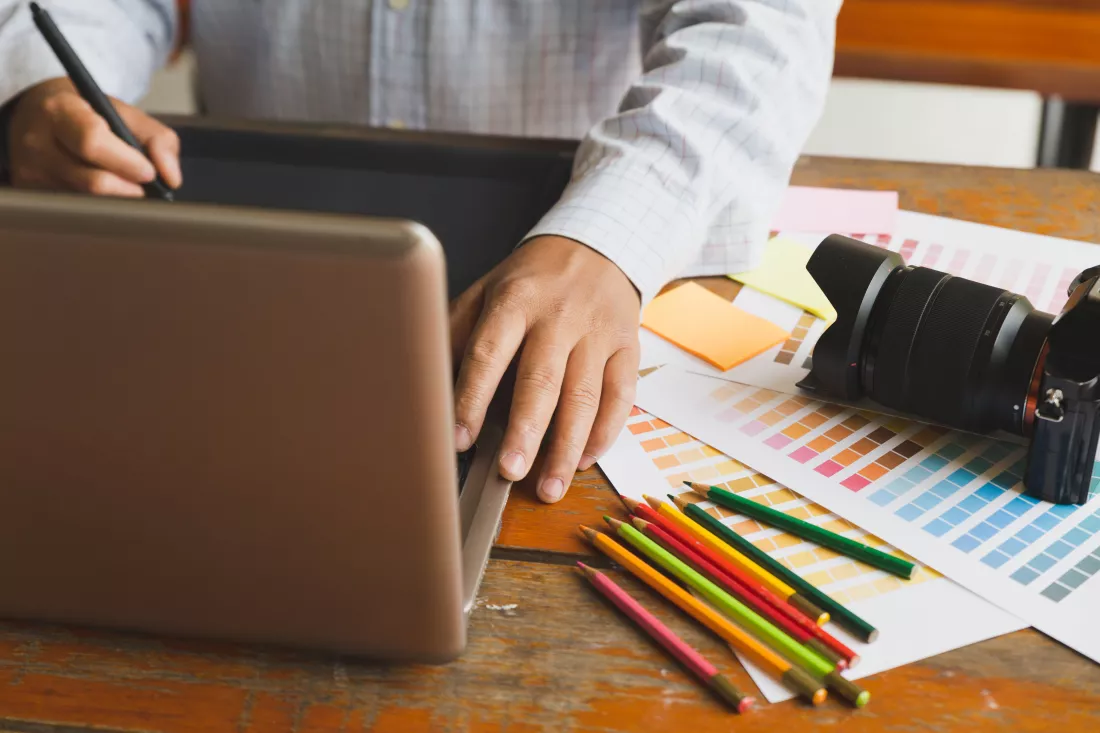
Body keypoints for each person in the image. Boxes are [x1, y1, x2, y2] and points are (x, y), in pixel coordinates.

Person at [0, 1, 841, 504]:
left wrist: (612, 234)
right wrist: (38, 81)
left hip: (573, 265)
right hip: (245, 260)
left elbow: (759, 24)